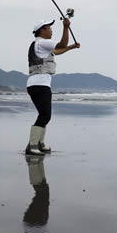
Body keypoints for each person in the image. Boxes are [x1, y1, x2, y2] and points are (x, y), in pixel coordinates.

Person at [25, 17, 80, 156]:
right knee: (45, 115)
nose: (51, 30)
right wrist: (66, 27)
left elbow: (57, 51)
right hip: (39, 84)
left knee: (44, 115)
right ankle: (32, 146)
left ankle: (39, 144)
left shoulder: (39, 44)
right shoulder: (43, 42)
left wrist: (71, 47)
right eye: (49, 28)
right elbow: (61, 44)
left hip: (37, 83)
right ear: (42, 30)